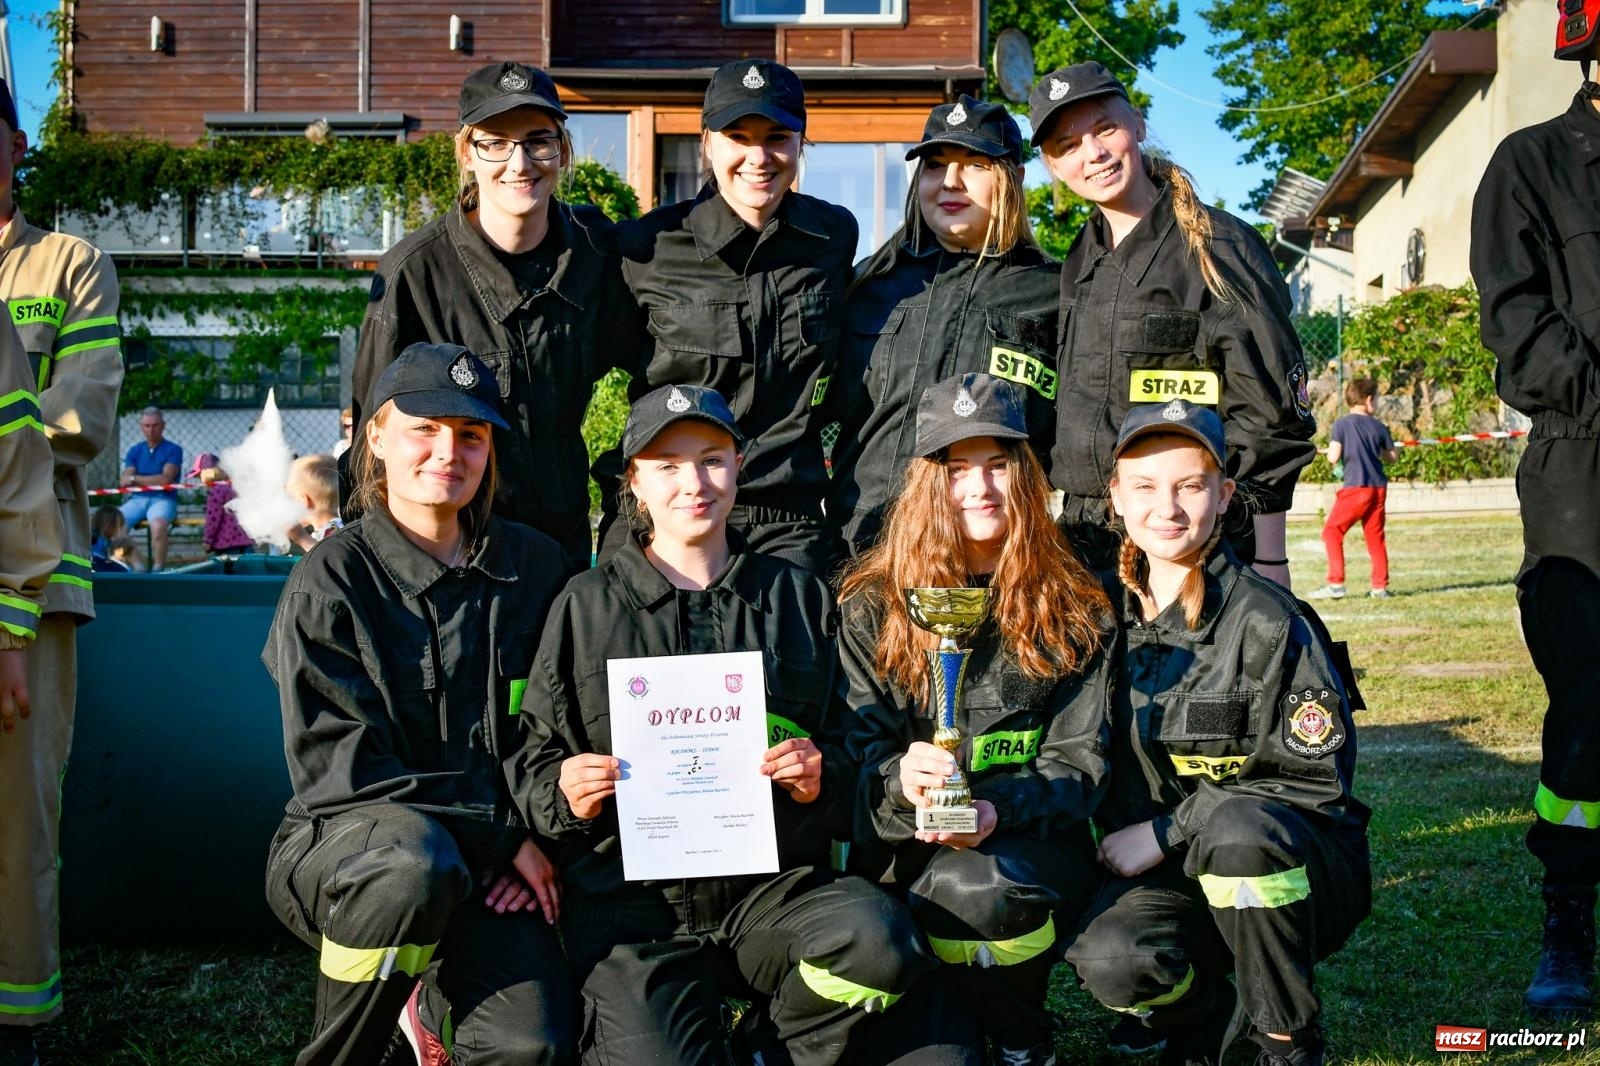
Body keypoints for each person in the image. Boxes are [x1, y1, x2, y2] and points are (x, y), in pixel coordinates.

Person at [511, 382, 936, 1065]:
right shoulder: (584, 605)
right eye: (668, 465)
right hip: (635, 910)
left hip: (768, 892)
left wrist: (817, 779)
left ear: (739, 467)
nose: (694, 483)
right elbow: (531, 759)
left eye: (712, 458)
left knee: (877, 943)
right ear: (634, 484)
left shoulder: (794, 597)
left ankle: (765, 1049)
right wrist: (562, 791)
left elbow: (853, 749)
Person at [263, 342, 577, 1066]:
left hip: (493, 869)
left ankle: (426, 1010)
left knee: (533, 1046)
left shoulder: (537, 570)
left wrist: (536, 842)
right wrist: (503, 839)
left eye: (470, 435)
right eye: (425, 429)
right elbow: (343, 775)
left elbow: (564, 728)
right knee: (413, 865)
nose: (449, 452)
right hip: (353, 854)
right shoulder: (330, 581)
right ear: (376, 436)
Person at [1063, 399, 1369, 1066]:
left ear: (1224, 494)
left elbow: (1314, 783)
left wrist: (1169, 829)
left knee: (1237, 833)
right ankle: (1209, 1019)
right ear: (1115, 496)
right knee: (1111, 957)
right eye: (1144, 486)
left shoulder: (1272, 622)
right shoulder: (1095, 619)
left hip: (1294, 870)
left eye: (1190, 485)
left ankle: (1285, 1037)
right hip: (1172, 878)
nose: (1166, 507)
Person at [838, 373, 1114, 1066]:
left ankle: (1023, 1039)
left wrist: (994, 808)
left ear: (1024, 476)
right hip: (907, 856)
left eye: (997, 466)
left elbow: (1083, 762)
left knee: (975, 887)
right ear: (929, 484)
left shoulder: (1076, 604)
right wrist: (902, 781)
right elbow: (854, 754)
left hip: (1028, 849)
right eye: (958, 471)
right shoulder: (873, 603)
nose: (979, 489)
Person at [1029, 62, 1316, 584]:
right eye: (1068, 145)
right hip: (1084, 542)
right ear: (1052, 164)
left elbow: (1271, 417)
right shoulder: (1078, 261)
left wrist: (1271, 559)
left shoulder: (1218, 246)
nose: (1092, 153)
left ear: (1137, 125)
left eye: (1104, 128)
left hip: (1194, 542)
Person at [351, 60, 633, 571]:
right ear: (466, 152)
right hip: (457, 558)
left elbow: (664, 370)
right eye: (495, 142)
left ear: (562, 149)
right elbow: (370, 446)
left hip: (563, 550)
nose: (519, 163)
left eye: (537, 141)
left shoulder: (597, 256)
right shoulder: (414, 275)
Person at [1468, 0, 1600, 1018]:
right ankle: (1568, 921)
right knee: (1589, 709)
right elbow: (1516, 323)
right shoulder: (1530, 164)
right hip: (1584, 466)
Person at [601, 59, 857, 574]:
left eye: (777, 137)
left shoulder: (832, 238)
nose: (758, 157)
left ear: (800, 143)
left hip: (786, 520)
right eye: (737, 136)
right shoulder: (645, 249)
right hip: (666, 519)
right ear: (707, 144)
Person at [0, 75, 122, 1066]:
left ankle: (21, 1019)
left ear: (16, 147)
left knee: (16, 812)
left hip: (34, 575)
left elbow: (79, 413)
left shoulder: (66, 262)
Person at [827, 99, 1059, 564]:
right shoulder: (868, 285)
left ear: (1013, 177)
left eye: (974, 165)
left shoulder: (1056, 294)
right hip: (865, 550)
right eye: (935, 166)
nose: (950, 181)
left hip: (996, 561)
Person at [1308, 378, 1396, 601]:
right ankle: (1380, 587)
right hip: (1378, 488)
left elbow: (1333, 457)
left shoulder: (1342, 425)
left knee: (1332, 532)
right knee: (1375, 538)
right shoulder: (1379, 426)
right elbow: (1391, 457)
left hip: (1356, 487)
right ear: (1368, 400)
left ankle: (1336, 583)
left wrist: (1329, 452)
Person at [119, 406, 181, 571]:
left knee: (158, 525)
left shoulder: (174, 450)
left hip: (163, 499)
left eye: (155, 425)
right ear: (141, 427)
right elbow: (124, 480)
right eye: (147, 425)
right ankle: (138, 567)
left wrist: (135, 479)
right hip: (137, 499)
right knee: (116, 524)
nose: (151, 430)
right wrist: (150, 479)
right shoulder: (135, 451)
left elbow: (165, 479)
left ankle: (158, 569)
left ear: (163, 425)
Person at [191, 453, 256, 556]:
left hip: (225, 544)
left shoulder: (216, 492)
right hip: (247, 541)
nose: (200, 480)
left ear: (207, 473)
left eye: (200, 475)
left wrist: (207, 540)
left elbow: (213, 519)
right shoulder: (236, 487)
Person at [284, 454, 343, 553]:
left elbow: (330, 560)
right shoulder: (335, 527)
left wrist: (302, 539)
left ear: (304, 501)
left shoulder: (334, 530)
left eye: (290, 499)